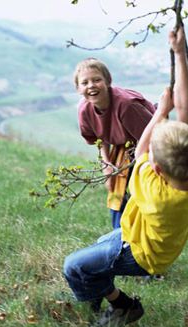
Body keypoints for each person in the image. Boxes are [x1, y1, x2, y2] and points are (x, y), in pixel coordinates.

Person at [63, 26, 188, 327]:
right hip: (153, 242)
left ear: (156, 169)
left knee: (74, 267)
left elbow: (141, 147)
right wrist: (179, 52)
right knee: (100, 245)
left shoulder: (154, 192)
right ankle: (99, 290)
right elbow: (185, 106)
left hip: (141, 252)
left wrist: (158, 114)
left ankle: (123, 306)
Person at [74, 57, 155, 229]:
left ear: (108, 81)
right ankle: (120, 235)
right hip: (123, 146)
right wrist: (107, 164)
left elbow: (151, 137)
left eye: (97, 80)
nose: (91, 86)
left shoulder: (126, 105)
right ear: (78, 89)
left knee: (138, 193)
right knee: (115, 192)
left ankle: (140, 239)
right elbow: (99, 137)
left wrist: (137, 170)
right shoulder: (84, 110)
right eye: (85, 82)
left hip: (148, 144)